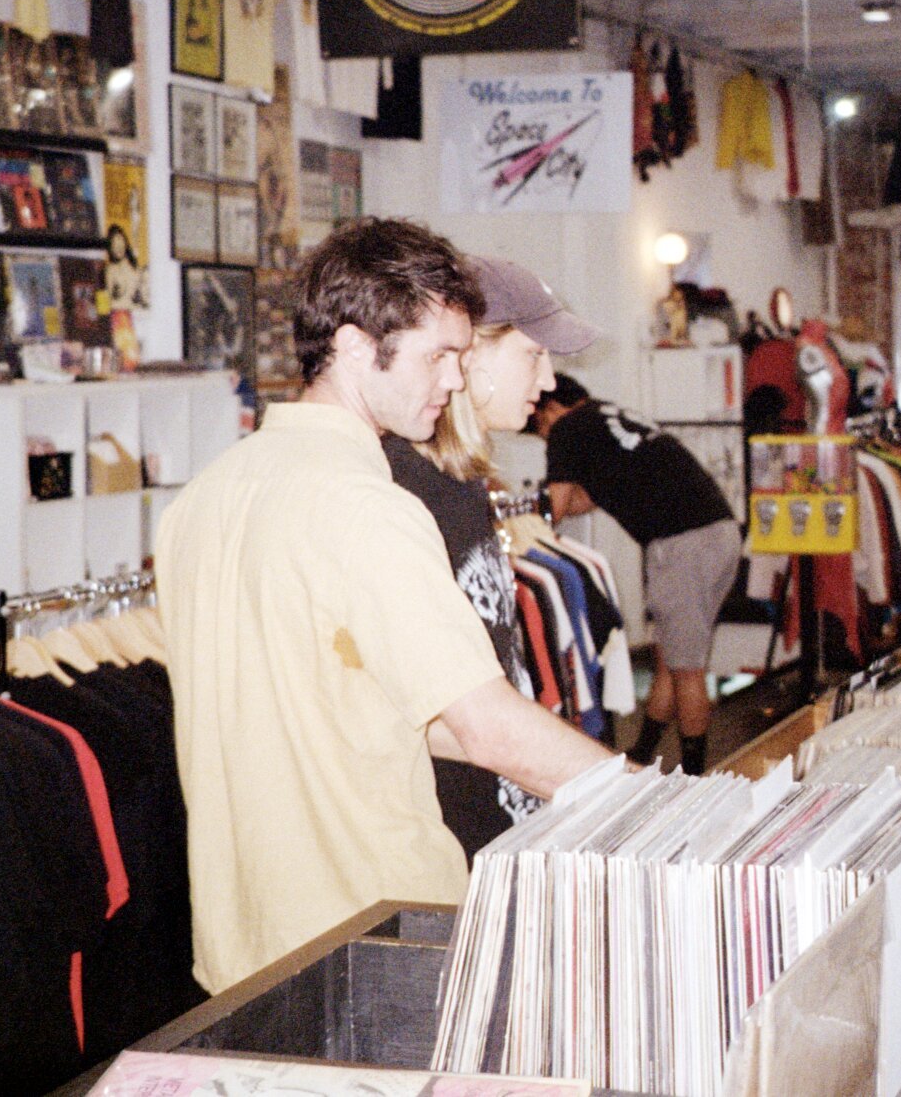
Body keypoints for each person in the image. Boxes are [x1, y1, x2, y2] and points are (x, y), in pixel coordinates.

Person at [154, 218, 615, 995]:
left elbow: (369, 706)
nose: (454, 380)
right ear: (355, 346)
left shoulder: (199, 502)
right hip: (376, 936)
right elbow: (488, 726)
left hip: (244, 944)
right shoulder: (370, 510)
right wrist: (651, 794)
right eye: (437, 356)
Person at [387, 255, 601, 859]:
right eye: (533, 355)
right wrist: (633, 792)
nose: (550, 380)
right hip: (446, 841)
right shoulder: (409, 489)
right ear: (470, 352)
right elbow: (440, 719)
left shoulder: (460, 484)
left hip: (499, 823)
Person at [530, 374, 740, 775]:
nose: (544, 438)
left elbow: (556, 506)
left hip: (683, 543)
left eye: (539, 427)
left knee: (687, 668)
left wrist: (521, 531)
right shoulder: (604, 416)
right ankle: (642, 755)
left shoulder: (567, 429)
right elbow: (582, 500)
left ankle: (695, 778)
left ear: (549, 409)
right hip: (715, 533)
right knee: (671, 659)